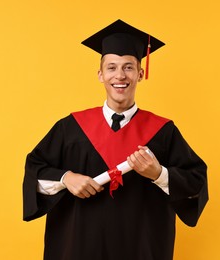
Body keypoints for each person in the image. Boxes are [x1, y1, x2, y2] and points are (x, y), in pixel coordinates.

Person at [23, 19, 208, 260]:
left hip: (140, 248)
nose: (120, 75)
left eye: (128, 67)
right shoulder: (70, 128)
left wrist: (158, 174)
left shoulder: (163, 132)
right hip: (79, 248)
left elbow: (196, 182)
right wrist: (66, 178)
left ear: (140, 74)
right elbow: (34, 170)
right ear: (100, 75)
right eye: (111, 67)